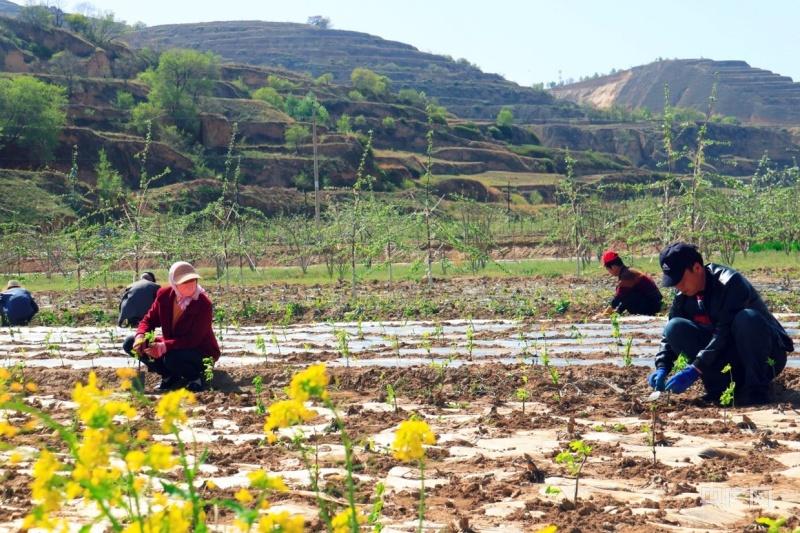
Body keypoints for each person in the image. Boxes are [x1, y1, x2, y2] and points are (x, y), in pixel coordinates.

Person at [648, 242, 793, 405]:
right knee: (674, 327)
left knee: (747, 319)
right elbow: (668, 338)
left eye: (680, 279)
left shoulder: (730, 283)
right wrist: (662, 366)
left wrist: (695, 368)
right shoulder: (682, 295)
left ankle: (756, 390)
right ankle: (719, 388)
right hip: (727, 356)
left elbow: (723, 332)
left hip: (766, 354)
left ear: (697, 268)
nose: (677, 286)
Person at [122, 262, 220, 392]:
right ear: (174, 283)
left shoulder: (203, 304)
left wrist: (164, 346)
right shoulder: (164, 296)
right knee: (130, 343)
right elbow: (148, 320)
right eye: (184, 282)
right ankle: (169, 377)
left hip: (199, 352)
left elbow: (193, 339)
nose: (190, 285)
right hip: (173, 347)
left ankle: (194, 378)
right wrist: (141, 335)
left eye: (193, 281)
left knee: (172, 357)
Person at [595, 250, 662, 317]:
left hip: (652, 305)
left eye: (607, 269)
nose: (609, 272)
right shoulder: (627, 271)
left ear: (613, 267)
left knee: (625, 295)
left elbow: (618, 299)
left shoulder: (627, 275)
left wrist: (603, 314)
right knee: (625, 294)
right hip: (652, 302)